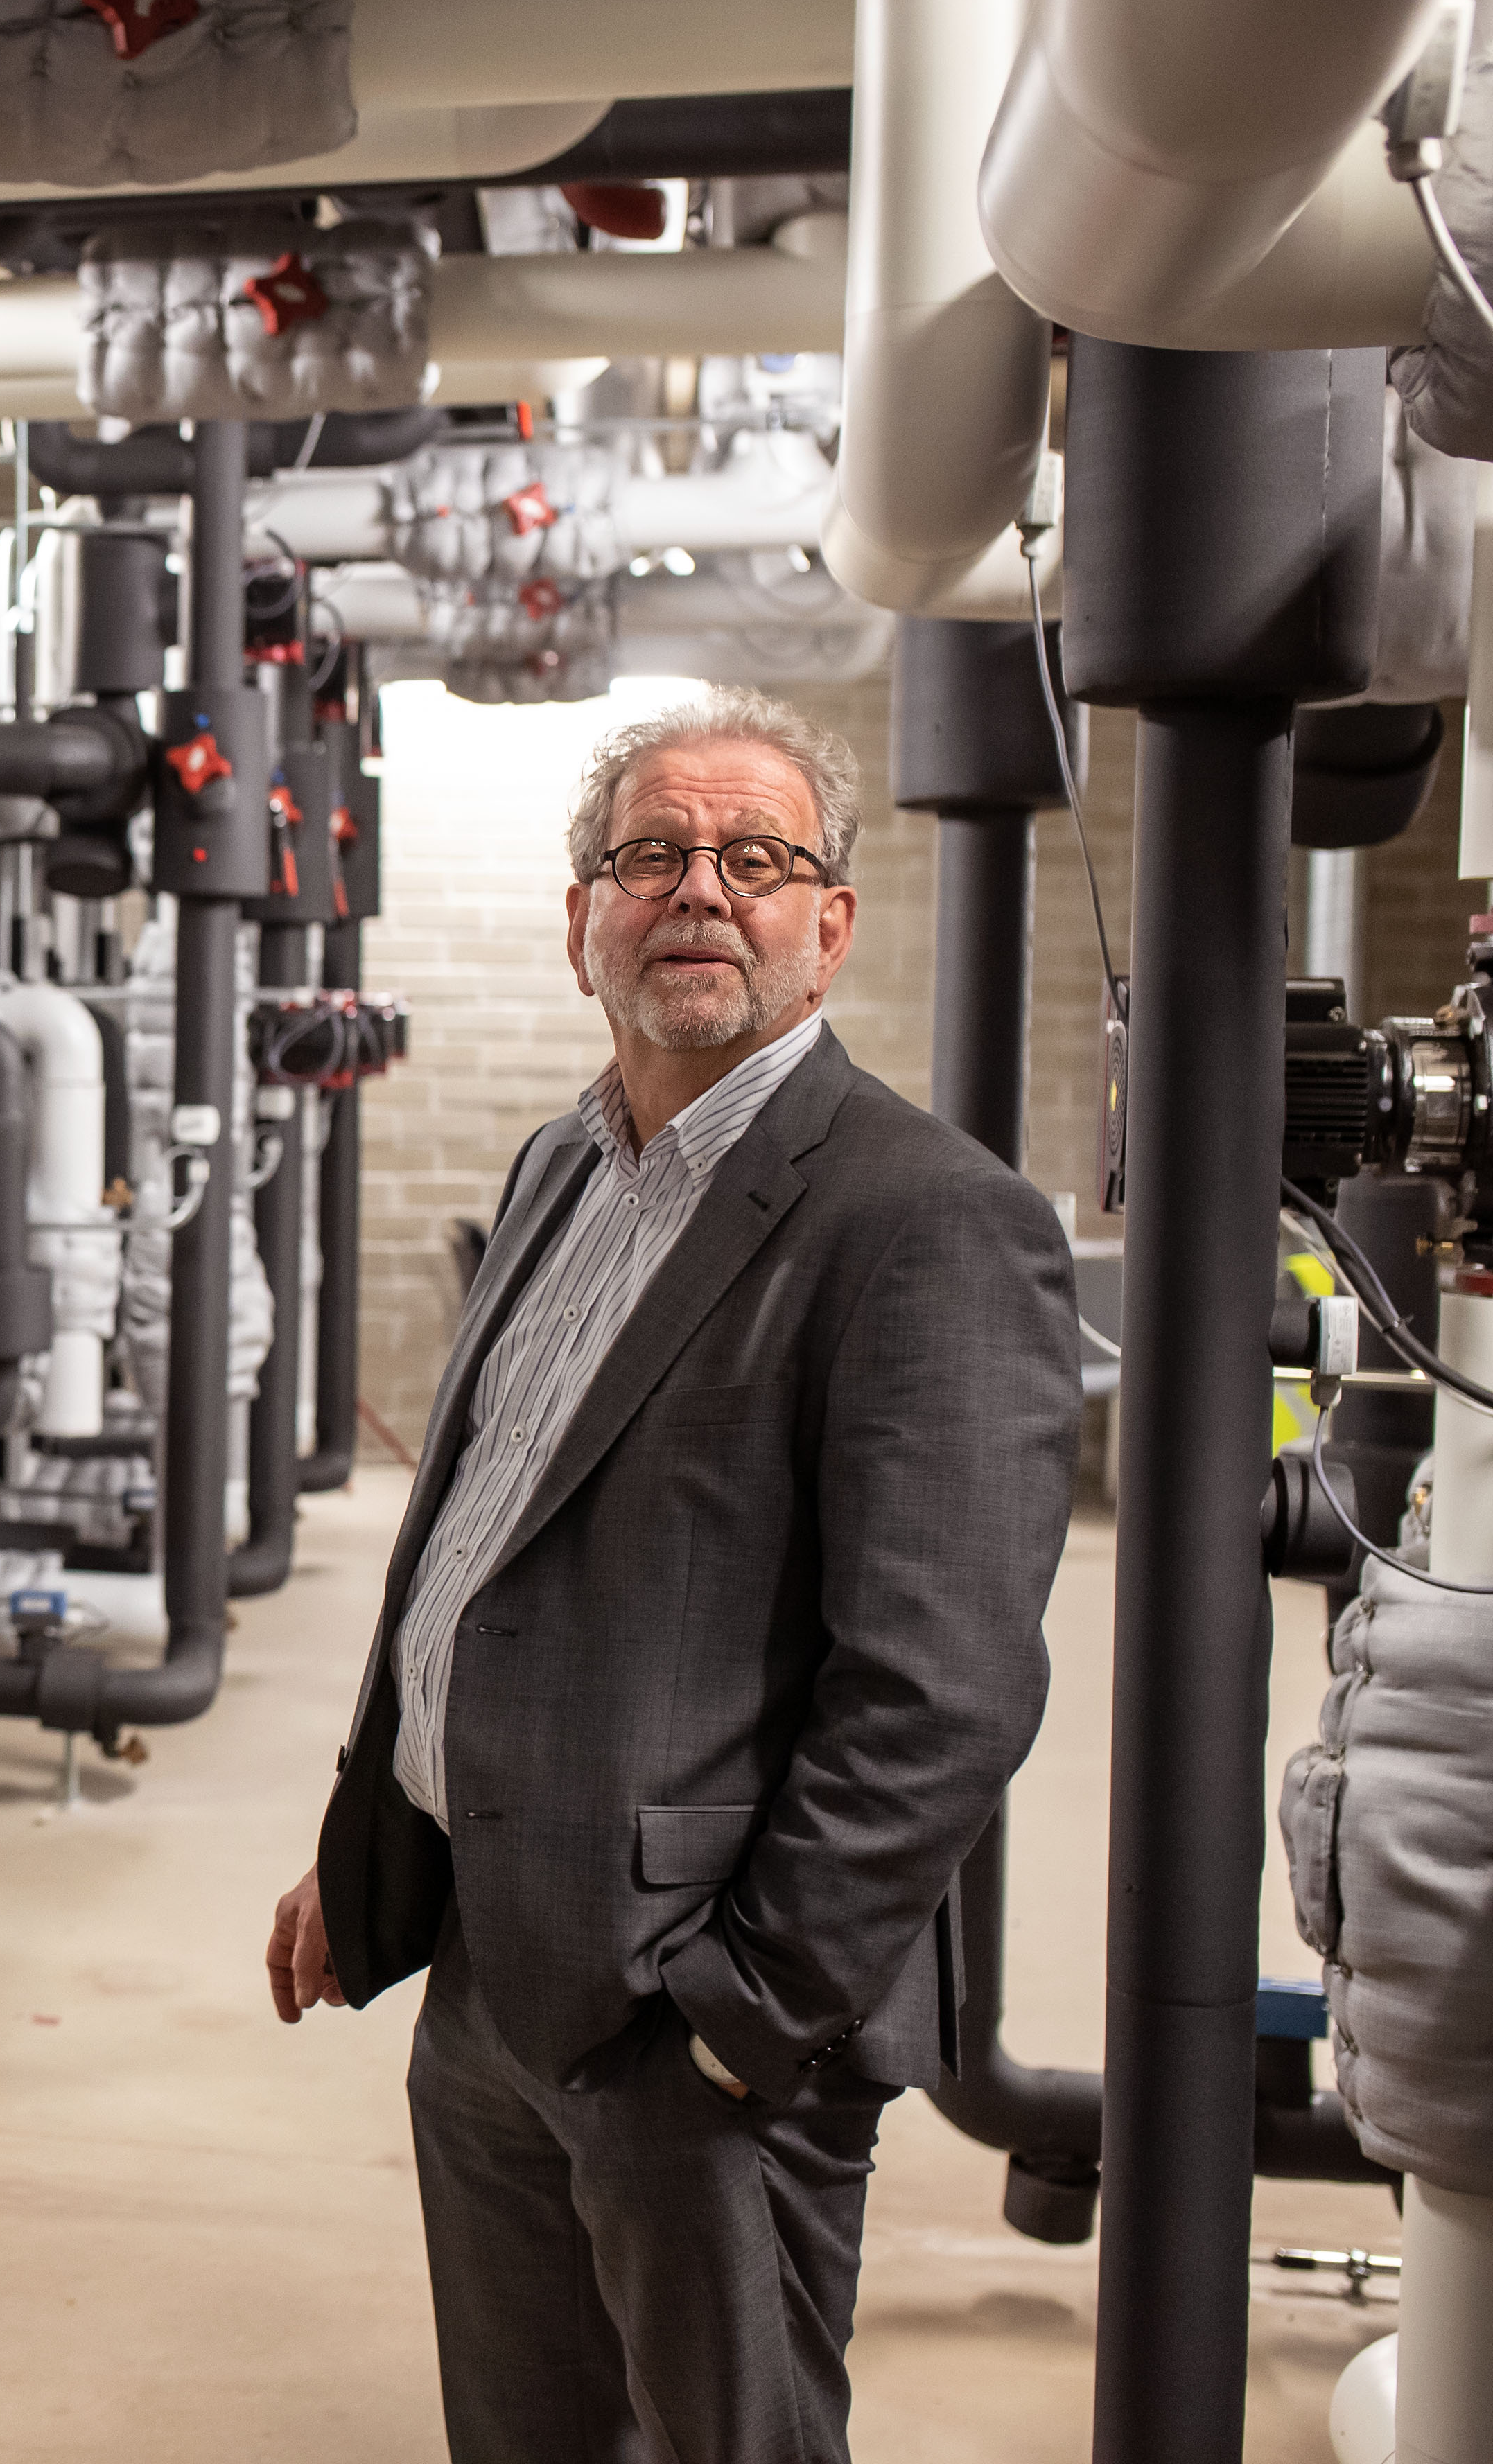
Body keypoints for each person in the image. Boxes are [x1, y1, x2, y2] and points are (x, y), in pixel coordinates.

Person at [263, 687, 1079, 2463]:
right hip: (490, 1966)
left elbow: (941, 1693)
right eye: (650, 856)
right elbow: (467, 1548)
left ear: (828, 927)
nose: (699, 889)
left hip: (694, 2017)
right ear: (581, 925)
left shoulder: (927, 1219)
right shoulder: (571, 1162)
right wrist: (372, 1841)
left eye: (756, 857)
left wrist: (745, 2016)